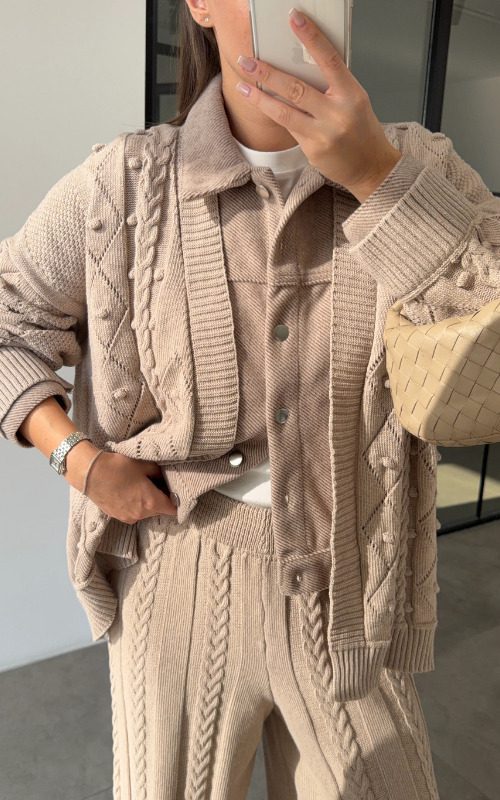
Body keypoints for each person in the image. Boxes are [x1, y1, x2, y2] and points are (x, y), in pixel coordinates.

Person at [1, 2, 499, 798]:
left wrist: (378, 180)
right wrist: (79, 459)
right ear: (199, 4)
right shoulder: (124, 185)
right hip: (174, 577)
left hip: (351, 586)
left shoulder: (417, 166)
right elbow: (8, 320)